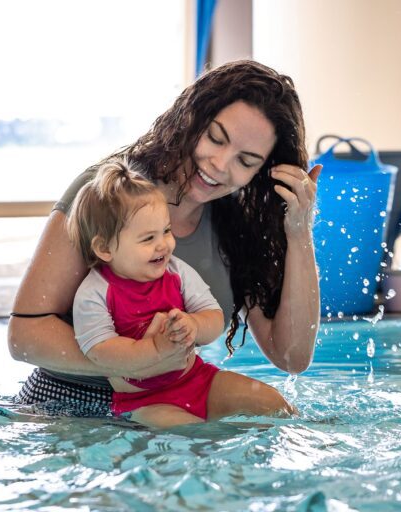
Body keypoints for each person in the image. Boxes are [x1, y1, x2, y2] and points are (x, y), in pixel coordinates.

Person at [9, 59, 321, 418]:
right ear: (191, 118)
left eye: (245, 161)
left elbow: (292, 357)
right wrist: (142, 361)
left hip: (174, 391)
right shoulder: (108, 194)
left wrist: (298, 230)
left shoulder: (239, 226)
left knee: (279, 413)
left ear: (262, 173)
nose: (220, 164)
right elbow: (23, 336)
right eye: (215, 138)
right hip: (67, 399)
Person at [67, 158, 295, 427]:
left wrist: (194, 325)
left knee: (272, 402)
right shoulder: (95, 293)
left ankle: (313, 432)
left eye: (165, 231)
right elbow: (100, 352)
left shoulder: (176, 271)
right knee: (191, 433)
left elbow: (213, 317)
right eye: (148, 239)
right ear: (104, 248)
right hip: (147, 401)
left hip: (198, 380)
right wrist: (154, 349)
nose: (163, 245)